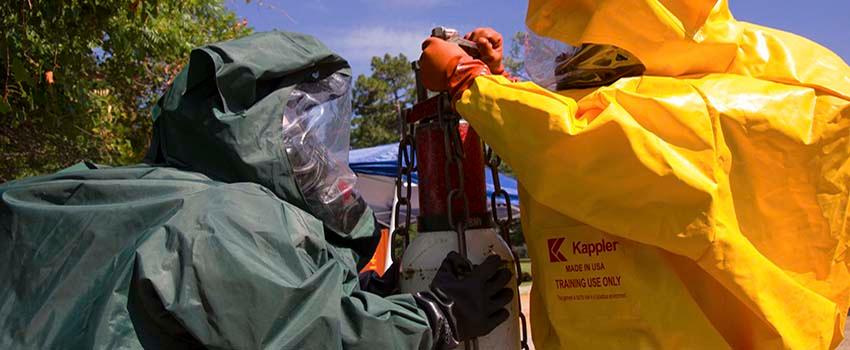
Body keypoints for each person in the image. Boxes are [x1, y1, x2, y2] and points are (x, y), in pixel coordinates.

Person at [0, 31, 512, 349]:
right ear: (251, 130)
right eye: (299, 126)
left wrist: (371, 293)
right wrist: (433, 318)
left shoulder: (171, 196)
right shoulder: (223, 216)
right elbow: (305, 332)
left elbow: (258, 306)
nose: (314, 150)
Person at [419, 1, 850, 349]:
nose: (567, 60)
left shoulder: (697, 110)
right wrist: (501, 80)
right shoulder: (779, 82)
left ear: (627, 34)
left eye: (578, 45)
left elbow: (582, 145)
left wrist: (470, 81)